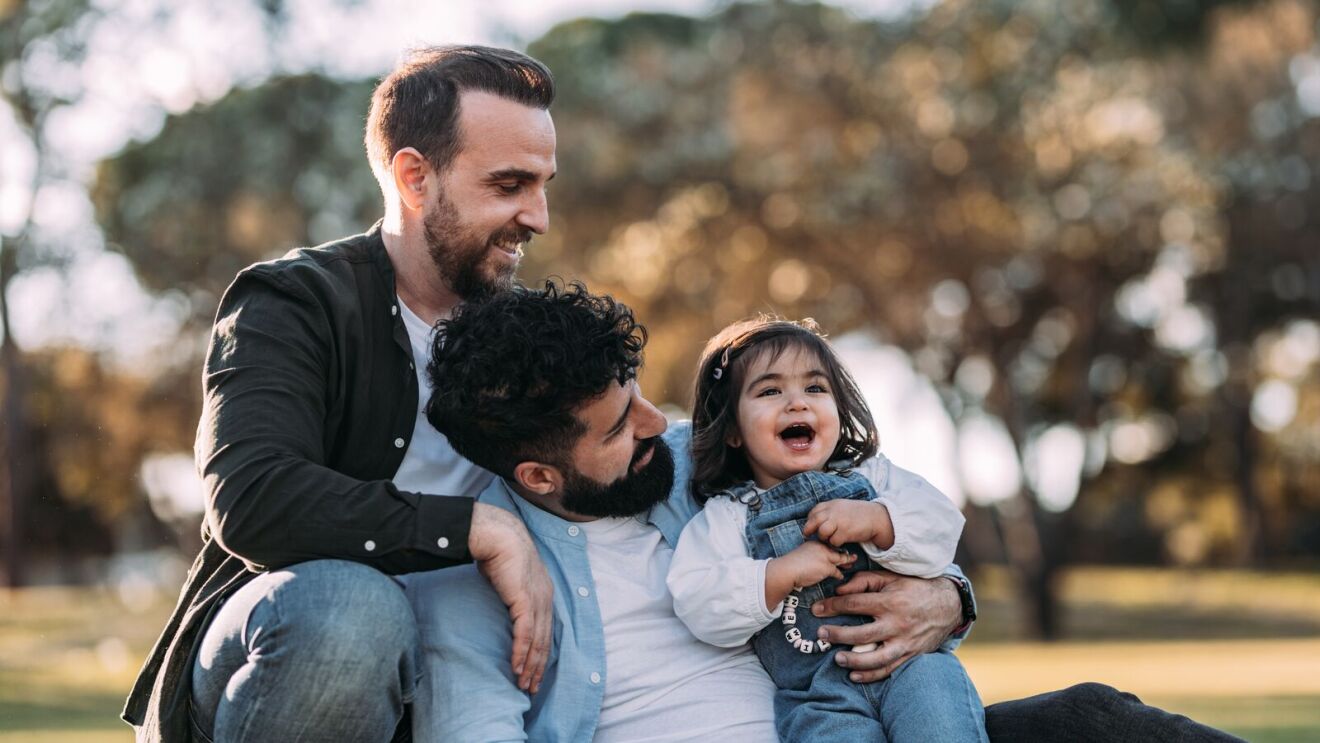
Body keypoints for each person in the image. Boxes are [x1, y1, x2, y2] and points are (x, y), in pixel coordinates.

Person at [408, 281, 1242, 743]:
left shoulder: (700, 460)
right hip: (820, 726)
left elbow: (897, 516)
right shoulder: (475, 585)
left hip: (885, 714)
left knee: (1094, 718)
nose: (658, 423)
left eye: (641, 396)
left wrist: (947, 596)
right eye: (622, 423)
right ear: (539, 474)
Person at [122, 45, 562, 742]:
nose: (538, 217)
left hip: (465, 684)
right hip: (291, 653)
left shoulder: (540, 335)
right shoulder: (293, 301)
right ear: (415, 177)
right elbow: (253, 497)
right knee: (350, 613)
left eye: (542, 186)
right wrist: (476, 527)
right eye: (509, 185)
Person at [667, 317, 986, 741]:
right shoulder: (729, 516)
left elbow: (941, 526)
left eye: (815, 388)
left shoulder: (874, 478)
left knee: (940, 724)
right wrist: (779, 574)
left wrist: (879, 520)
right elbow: (699, 599)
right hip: (820, 699)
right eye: (770, 391)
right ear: (732, 431)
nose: (797, 403)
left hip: (914, 667)